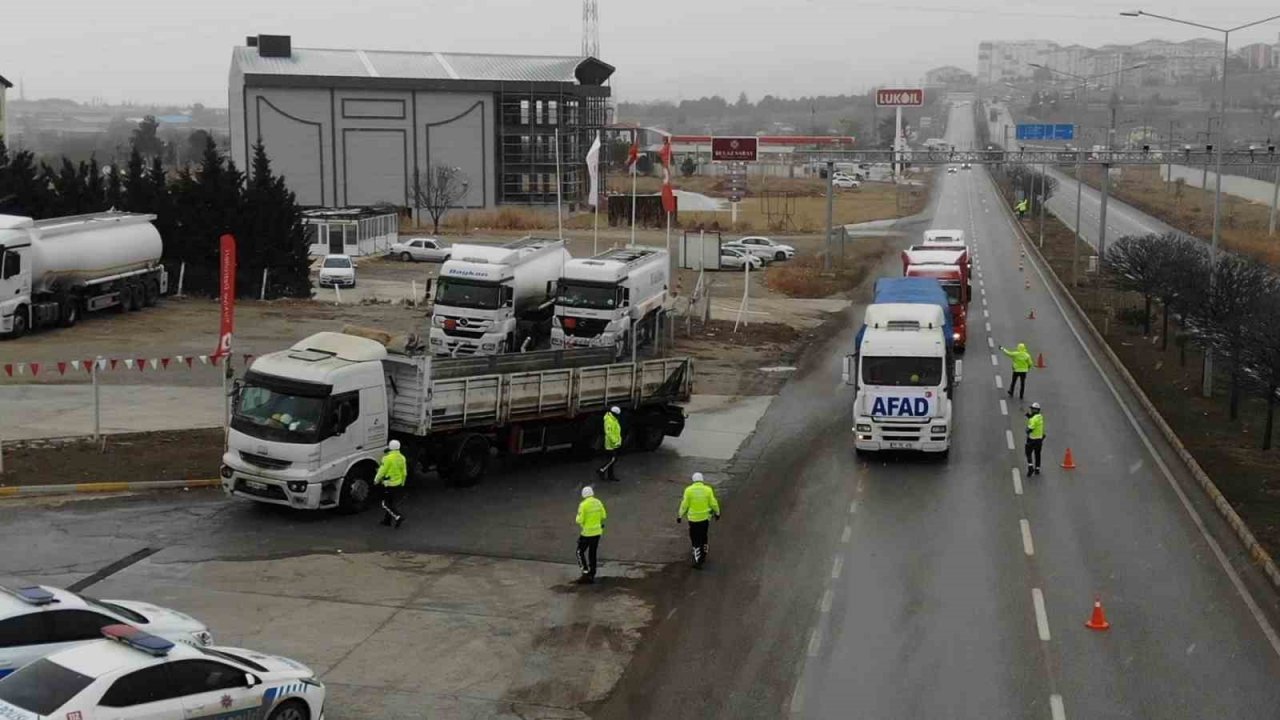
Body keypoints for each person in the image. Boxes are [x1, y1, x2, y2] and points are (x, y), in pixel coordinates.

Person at [676, 472, 721, 568]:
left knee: (695, 536)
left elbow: (684, 505)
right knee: (703, 535)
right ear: (702, 480)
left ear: (693, 480)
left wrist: (680, 516)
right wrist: (717, 513)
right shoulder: (708, 490)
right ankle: (704, 551)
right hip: (705, 518)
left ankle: (698, 558)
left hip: (693, 519)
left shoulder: (688, 490)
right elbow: (713, 503)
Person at [575, 486, 607, 584]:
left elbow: (579, 520)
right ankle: (592, 573)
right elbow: (604, 516)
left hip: (587, 533)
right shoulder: (598, 502)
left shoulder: (583, 505)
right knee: (592, 553)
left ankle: (585, 571)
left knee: (579, 552)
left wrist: (577, 516)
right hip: (597, 532)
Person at [374, 439, 408, 528]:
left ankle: (398, 516)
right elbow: (404, 472)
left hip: (389, 484)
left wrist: (376, 480)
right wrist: (402, 483)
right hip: (398, 483)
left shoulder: (387, 458)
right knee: (391, 502)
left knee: (385, 504)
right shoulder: (402, 457)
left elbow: (382, 471)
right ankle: (387, 521)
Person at [598, 406, 623, 482]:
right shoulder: (609, 420)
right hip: (610, 445)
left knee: (611, 460)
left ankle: (610, 476)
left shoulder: (613, 419)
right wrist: (615, 441)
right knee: (613, 459)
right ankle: (602, 470)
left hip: (613, 444)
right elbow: (609, 433)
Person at [1025, 403, 1045, 476]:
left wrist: (1027, 430)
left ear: (1034, 410)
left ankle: (1030, 466)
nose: (1031, 410)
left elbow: (1031, 428)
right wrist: (1028, 415)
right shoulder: (1040, 417)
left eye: (1032, 409)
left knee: (1028, 453)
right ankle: (1037, 469)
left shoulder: (1033, 419)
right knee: (1037, 454)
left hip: (1032, 439)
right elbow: (1033, 418)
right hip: (1039, 439)